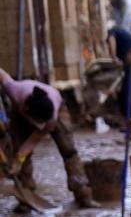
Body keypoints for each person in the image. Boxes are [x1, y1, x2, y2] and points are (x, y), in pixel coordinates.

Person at [0, 70, 93, 209]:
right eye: (37, 123)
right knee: (18, 150)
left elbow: (33, 140)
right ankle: (25, 195)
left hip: (57, 106)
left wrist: (19, 159)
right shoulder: (14, 90)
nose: (39, 126)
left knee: (68, 149)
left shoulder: (51, 118)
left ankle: (83, 193)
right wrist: (18, 160)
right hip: (20, 114)